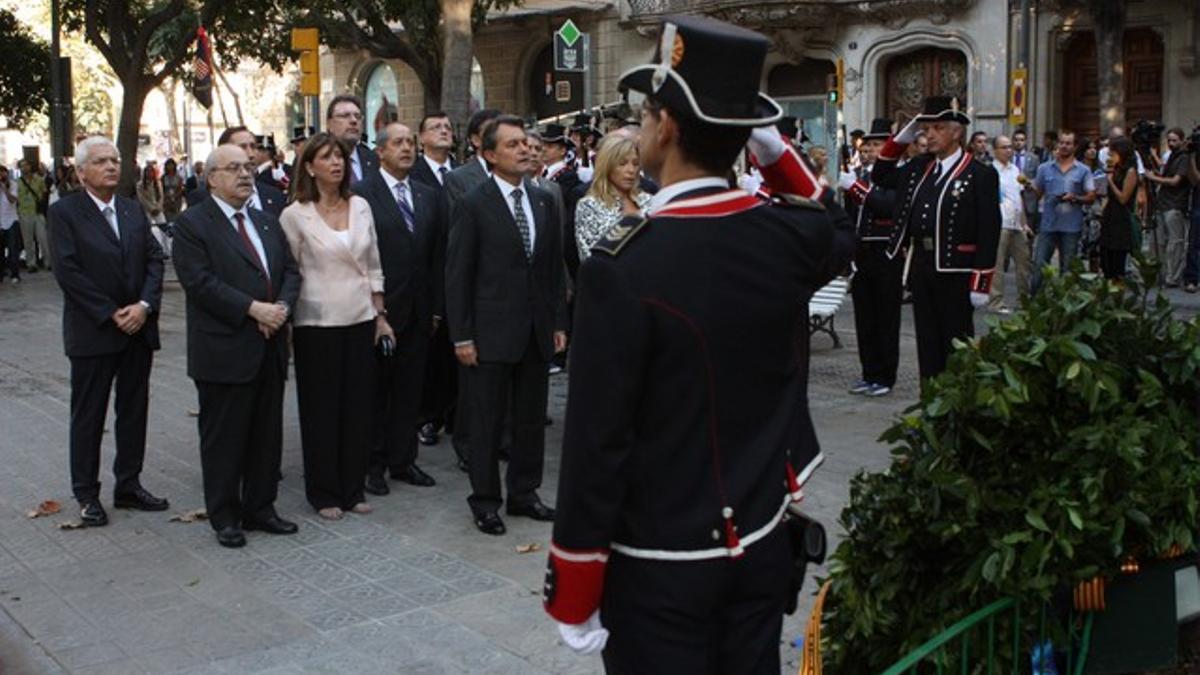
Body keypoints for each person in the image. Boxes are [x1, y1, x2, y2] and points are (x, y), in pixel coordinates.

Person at [543, 15, 854, 671]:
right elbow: (832, 221)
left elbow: (598, 443)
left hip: (663, 566)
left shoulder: (622, 267)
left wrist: (574, 585)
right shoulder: (786, 237)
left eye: (648, 111)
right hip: (765, 536)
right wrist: (771, 151)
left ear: (668, 127)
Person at [171, 143, 302, 548]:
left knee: (267, 433)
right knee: (225, 437)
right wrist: (253, 311)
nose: (245, 174)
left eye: (248, 167)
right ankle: (225, 515)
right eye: (233, 168)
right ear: (211, 177)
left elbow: (291, 270)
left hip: (270, 344)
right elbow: (200, 282)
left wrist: (279, 308)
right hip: (225, 348)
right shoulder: (194, 224)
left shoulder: (266, 220)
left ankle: (261, 507)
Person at [445, 115, 567, 536]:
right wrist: (462, 335)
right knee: (487, 421)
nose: (525, 150)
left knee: (531, 418)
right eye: (513, 145)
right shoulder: (473, 203)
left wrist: (556, 321)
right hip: (489, 333)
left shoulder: (543, 201)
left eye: (526, 144)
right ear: (490, 155)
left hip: (535, 331)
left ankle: (524, 493)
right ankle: (485, 500)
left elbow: (551, 269)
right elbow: (458, 274)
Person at [49, 136, 168, 527]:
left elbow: (154, 260)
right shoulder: (66, 213)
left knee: (133, 410)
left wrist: (144, 307)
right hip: (94, 332)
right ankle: (86, 492)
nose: (112, 167)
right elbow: (68, 272)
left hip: (137, 328)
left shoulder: (133, 211)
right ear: (82, 172)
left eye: (115, 160)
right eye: (101, 161)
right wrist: (110, 312)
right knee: (89, 414)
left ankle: (128, 484)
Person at [280, 132, 394, 520]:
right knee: (321, 410)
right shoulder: (295, 214)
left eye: (340, 157)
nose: (336, 163)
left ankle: (352, 487)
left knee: (358, 407)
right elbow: (288, 272)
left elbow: (374, 262)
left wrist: (380, 314)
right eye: (327, 158)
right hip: (316, 320)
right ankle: (324, 491)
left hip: (360, 317)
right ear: (309, 167)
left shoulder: (360, 205)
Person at [872, 95, 1002, 380]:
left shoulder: (980, 174)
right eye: (926, 129)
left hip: (956, 269)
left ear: (956, 132)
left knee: (955, 344)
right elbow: (880, 175)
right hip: (922, 265)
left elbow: (989, 229)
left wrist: (981, 282)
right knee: (927, 343)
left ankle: (955, 408)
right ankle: (930, 403)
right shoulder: (920, 168)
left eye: (937, 128)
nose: (929, 135)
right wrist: (902, 137)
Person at [354, 121, 447, 495]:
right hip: (380, 311)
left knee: (411, 390)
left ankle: (403, 460)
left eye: (410, 142)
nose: (407, 148)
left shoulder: (427, 195)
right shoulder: (362, 195)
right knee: (378, 391)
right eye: (398, 143)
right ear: (380, 151)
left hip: (420, 312)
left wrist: (437, 308)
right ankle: (372, 464)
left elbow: (439, 256)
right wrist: (374, 310)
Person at [442, 107, 502, 470]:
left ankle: (501, 440)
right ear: (480, 142)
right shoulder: (461, 180)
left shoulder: (531, 187)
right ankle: (468, 445)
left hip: (507, 294)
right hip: (478, 289)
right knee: (473, 381)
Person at [839, 117, 901, 396]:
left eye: (878, 145)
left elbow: (887, 206)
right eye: (870, 145)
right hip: (862, 253)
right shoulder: (863, 175)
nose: (873, 150)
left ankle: (885, 376)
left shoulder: (897, 175)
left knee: (885, 317)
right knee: (864, 318)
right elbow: (852, 217)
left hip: (886, 252)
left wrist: (855, 189)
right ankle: (869, 372)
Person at [1030, 130, 1096, 293]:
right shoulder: (1044, 168)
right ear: (1057, 145)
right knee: (1039, 266)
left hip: (1071, 227)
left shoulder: (1083, 170)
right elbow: (1037, 195)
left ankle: (1065, 306)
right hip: (1048, 225)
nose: (1064, 146)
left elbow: (1091, 196)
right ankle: (1035, 303)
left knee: (1068, 270)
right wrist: (1029, 191)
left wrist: (1075, 198)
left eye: (1068, 143)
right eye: (1062, 143)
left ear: (1074, 147)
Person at [574, 134, 651, 260]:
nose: (631, 170)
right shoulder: (589, 206)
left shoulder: (650, 201)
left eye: (635, 163)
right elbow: (589, 258)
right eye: (622, 163)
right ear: (607, 166)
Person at [189, 127, 286, 217]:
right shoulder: (201, 199)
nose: (251, 154)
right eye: (242, 147)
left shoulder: (276, 196)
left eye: (253, 147)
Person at [988, 135, 1033, 313]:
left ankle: (1024, 300)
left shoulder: (1015, 170)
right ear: (995, 150)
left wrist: (1025, 223)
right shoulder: (991, 171)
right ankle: (996, 301)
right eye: (1004, 147)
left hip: (1017, 223)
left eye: (1010, 147)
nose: (1009, 150)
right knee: (998, 265)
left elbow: (1019, 198)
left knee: (1024, 263)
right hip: (1000, 222)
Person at [1145, 128, 1191, 287]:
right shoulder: (1171, 156)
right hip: (1162, 203)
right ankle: (1158, 275)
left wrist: (1154, 178)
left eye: (1174, 140)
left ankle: (1172, 277)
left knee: (1175, 243)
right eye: (1169, 140)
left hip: (1175, 204)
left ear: (1182, 140)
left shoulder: (1184, 157)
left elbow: (1175, 181)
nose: (1171, 143)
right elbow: (1166, 176)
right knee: (1157, 242)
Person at [1098, 137, 1140, 281]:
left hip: (1121, 218)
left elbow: (1124, 198)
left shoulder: (1130, 171)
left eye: (1112, 154)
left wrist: (1110, 181)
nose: (1110, 157)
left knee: (1117, 258)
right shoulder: (1115, 169)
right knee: (1105, 254)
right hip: (1110, 215)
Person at [325, 95, 379, 184]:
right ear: (329, 124)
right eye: (345, 116)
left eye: (358, 116)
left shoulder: (374, 160)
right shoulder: (318, 161)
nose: (354, 120)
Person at [16, 159, 50, 272]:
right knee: (28, 240)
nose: (24, 168)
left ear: (30, 166)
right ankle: (31, 263)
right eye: (22, 166)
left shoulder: (39, 180)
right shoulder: (17, 182)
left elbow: (45, 193)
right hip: (24, 213)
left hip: (37, 212)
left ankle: (48, 262)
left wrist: (42, 206)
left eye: (26, 165)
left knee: (43, 238)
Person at [410, 112, 458, 190]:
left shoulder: (462, 171)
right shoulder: (411, 174)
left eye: (448, 128)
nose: (444, 131)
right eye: (436, 127)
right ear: (421, 137)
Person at [0, 165, 20, 284]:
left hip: (12, 220)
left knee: (13, 249)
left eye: (3, 173)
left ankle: (15, 274)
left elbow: (13, 200)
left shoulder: (13, 184)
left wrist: (4, 189)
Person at [160, 158, 185, 223]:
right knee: (168, 218)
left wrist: (174, 197)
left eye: (171, 165)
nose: (170, 167)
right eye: (168, 165)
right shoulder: (163, 177)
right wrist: (166, 198)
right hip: (166, 200)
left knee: (176, 218)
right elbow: (161, 189)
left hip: (176, 200)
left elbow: (180, 189)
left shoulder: (179, 177)